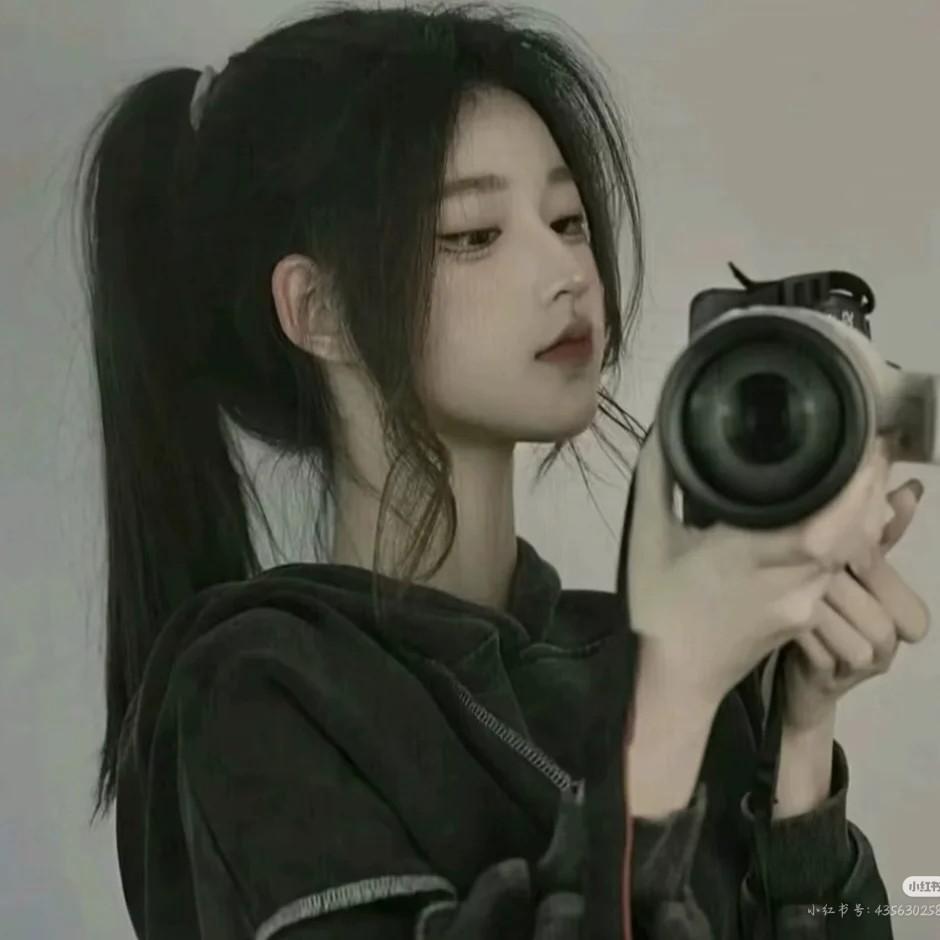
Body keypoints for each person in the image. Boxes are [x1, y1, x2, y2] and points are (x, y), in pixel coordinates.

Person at [70, 3, 930, 938]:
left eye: (567, 219)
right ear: (318, 310)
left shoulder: (634, 654)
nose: (568, 270)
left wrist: (800, 735)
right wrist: (672, 706)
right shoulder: (256, 692)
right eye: (474, 234)